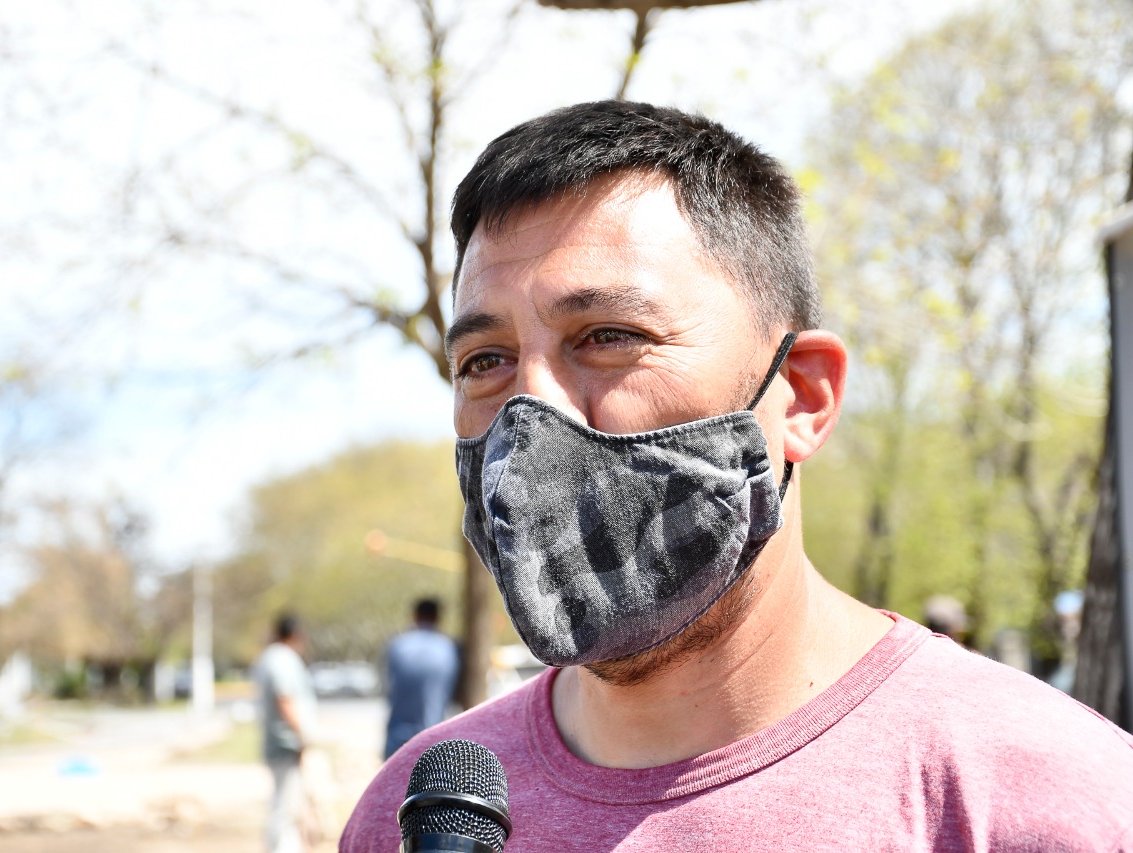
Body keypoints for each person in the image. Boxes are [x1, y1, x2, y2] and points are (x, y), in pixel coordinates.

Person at [339, 100, 1133, 851]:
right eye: (485, 361)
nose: (531, 407)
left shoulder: (1054, 803)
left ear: (804, 397)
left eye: (608, 335)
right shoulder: (409, 813)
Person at [253, 612, 316, 853]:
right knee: (285, 807)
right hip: (286, 742)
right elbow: (285, 699)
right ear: (295, 634)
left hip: (280, 741)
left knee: (288, 804)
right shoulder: (282, 659)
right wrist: (302, 736)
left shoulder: (270, 657)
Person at [383, 597, 460, 758]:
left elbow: (388, 686)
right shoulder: (448, 648)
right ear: (438, 618)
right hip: (432, 736)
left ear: (415, 615)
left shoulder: (398, 645)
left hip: (397, 737)